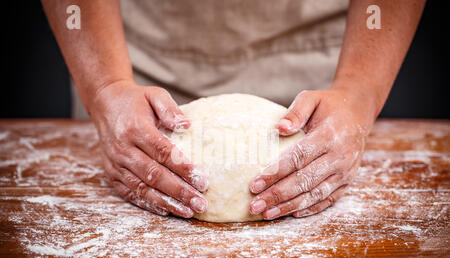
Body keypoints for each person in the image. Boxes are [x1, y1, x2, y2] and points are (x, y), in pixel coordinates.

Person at [42, 0, 425, 220]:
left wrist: (357, 91)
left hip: (323, 57)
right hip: (131, 58)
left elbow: (354, 94)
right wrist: (108, 87)